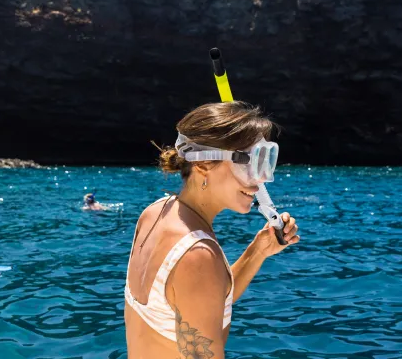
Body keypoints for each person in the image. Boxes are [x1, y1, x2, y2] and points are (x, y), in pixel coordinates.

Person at [124, 102, 300, 359]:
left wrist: (257, 252)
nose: (260, 179)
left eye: (264, 161)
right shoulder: (197, 255)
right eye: (248, 163)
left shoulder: (155, 213)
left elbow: (201, 301)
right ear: (204, 164)